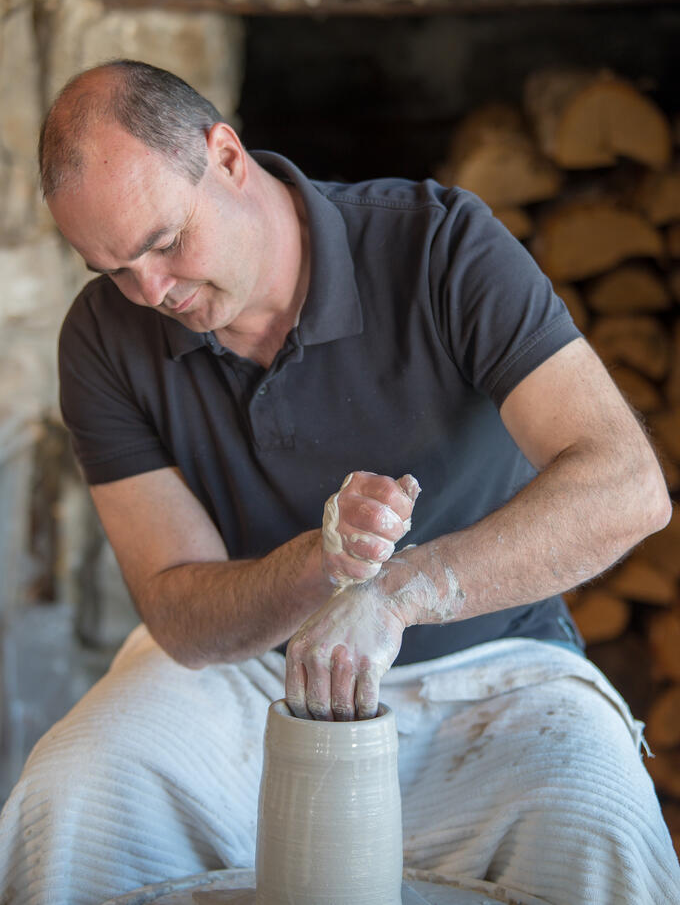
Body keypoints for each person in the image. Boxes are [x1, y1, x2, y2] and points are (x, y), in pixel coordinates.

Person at [0, 59, 678, 905]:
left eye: (165, 243)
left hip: (491, 664)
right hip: (245, 675)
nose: (152, 292)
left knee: (602, 822)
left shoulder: (440, 245)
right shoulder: (103, 337)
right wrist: (323, 563)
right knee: (68, 796)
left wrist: (398, 593)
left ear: (227, 155)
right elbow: (179, 613)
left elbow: (627, 485)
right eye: (112, 269)